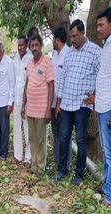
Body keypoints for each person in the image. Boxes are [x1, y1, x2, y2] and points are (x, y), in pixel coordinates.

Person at [53, 19, 101, 185]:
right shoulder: (69, 52)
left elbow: (103, 77)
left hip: (82, 105)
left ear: (83, 33)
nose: (72, 40)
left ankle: (79, 174)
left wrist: (96, 96)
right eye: (70, 37)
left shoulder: (96, 52)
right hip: (66, 103)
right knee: (64, 137)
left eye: (74, 36)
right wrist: (58, 103)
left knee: (80, 140)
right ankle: (62, 170)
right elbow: (64, 78)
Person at [21, 35, 54, 178]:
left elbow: (51, 85)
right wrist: (23, 103)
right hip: (31, 109)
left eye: (36, 45)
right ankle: (33, 165)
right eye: (32, 46)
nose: (34, 48)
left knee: (41, 140)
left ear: (41, 46)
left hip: (42, 110)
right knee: (32, 139)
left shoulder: (47, 62)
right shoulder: (29, 63)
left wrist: (48, 109)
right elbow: (27, 83)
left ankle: (41, 168)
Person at [95, 6, 111, 205]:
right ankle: (106, 185)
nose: (98, 28)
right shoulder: (106, 45)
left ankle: (109, 195)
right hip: (102, 106)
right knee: (107, 150)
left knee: (109, 151)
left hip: (109, 108)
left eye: (101, 24)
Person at [51, 27, 71, 170]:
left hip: (64, 103)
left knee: (65, 135)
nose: (52, 41)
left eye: (53, 38)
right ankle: (58, 162)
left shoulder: (68, 54)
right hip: (52, 101)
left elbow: (67, 81)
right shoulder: (54, 54)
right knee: (56, 133)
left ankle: (65, 165)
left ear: (57, 39)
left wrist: (60, 103)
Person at [0, 42, 15, 160]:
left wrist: (10, 103)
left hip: (5, 101)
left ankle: (4, 152)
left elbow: (12, 84)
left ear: (3, 52)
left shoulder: (9, 63)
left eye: (0, 55)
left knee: (4, 128)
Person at [13, 36, 32, 164]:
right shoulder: (15, 59)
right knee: (16, 128)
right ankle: (17, 156)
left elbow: (29, 81)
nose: (20, 47)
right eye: (18, 45)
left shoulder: (30, 59)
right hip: (17, 99)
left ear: (26, 45)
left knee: (27, 128)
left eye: (22, 45)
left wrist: (25, 101)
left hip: (27, 100)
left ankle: (28, 158)